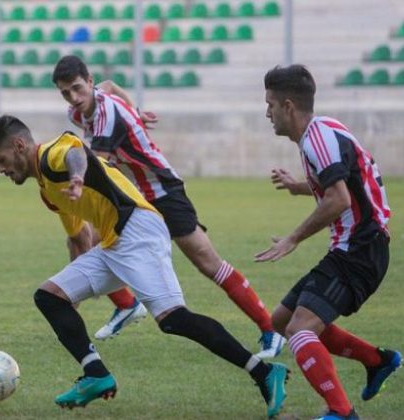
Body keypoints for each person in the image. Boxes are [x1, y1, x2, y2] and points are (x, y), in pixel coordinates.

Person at [0, 115, 289, 416]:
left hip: (137, 229)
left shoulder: (51, 155)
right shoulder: (48, 191)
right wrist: (74, 291)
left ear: (19, 145)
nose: (0, 168)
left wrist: (76, 177)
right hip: (114, 243)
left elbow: (75, 152)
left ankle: (264, 372)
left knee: (174, 319)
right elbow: (79, 238)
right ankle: (96, 374)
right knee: (49, 296)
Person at [51, 55, 285, 359]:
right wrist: (135, 111)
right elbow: (112, 84)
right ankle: (121, 306)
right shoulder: (82, 109)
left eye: (77, 88)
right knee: (83, 240)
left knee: (207, 263)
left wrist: (61, 177)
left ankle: (270, 330)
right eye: (66, 93)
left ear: (89, 81)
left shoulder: (107, 116)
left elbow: (97, 166)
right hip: (133, 197)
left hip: (162, 190)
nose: (73, 97)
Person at [256, 64, 403, 420]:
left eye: (271, 104)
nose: (267, 112)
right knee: (281, 320)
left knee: (299, 330)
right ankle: (377, 361)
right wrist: (298, 187)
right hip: (355, 247)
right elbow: (347, 181)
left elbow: (339, 199)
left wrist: (293, 238)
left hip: (359, 250)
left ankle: (341, 412)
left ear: (288, 106)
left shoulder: (317, 139)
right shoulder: (324, 131)